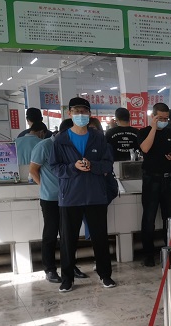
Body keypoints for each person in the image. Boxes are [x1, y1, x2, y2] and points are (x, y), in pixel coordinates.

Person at [49, 97, 116, 292]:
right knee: (68, 241)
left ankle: (105, 275)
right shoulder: (60, 140)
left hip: (96, 195)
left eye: (84, 112)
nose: (80, 115)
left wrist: (93, 166)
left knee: (100, 238)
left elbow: (108, 164)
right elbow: (55, 167)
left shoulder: (98, 138)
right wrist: (73, 167)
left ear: (89, 114)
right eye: (76, 112)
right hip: (70, 197)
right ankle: (67, 278)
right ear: (69, 114)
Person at [138, 103, 171, 267]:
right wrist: (153, 128)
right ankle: (148, 254)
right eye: (160, 118)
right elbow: (145, 148)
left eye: (166, 119)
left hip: (169, 180)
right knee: (149, 218)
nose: (164, 121)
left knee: (170, 218)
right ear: (152, 116)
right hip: (151, 180)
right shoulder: (144, 132)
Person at [29, 120, 71, 284]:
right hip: (50, 199)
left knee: (68, 234)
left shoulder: (69, 146)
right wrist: (45, 187)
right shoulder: (44, 146)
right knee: (51, 234)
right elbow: (33, 170)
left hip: (69, 198)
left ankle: (70, 266)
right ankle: (50, 269)